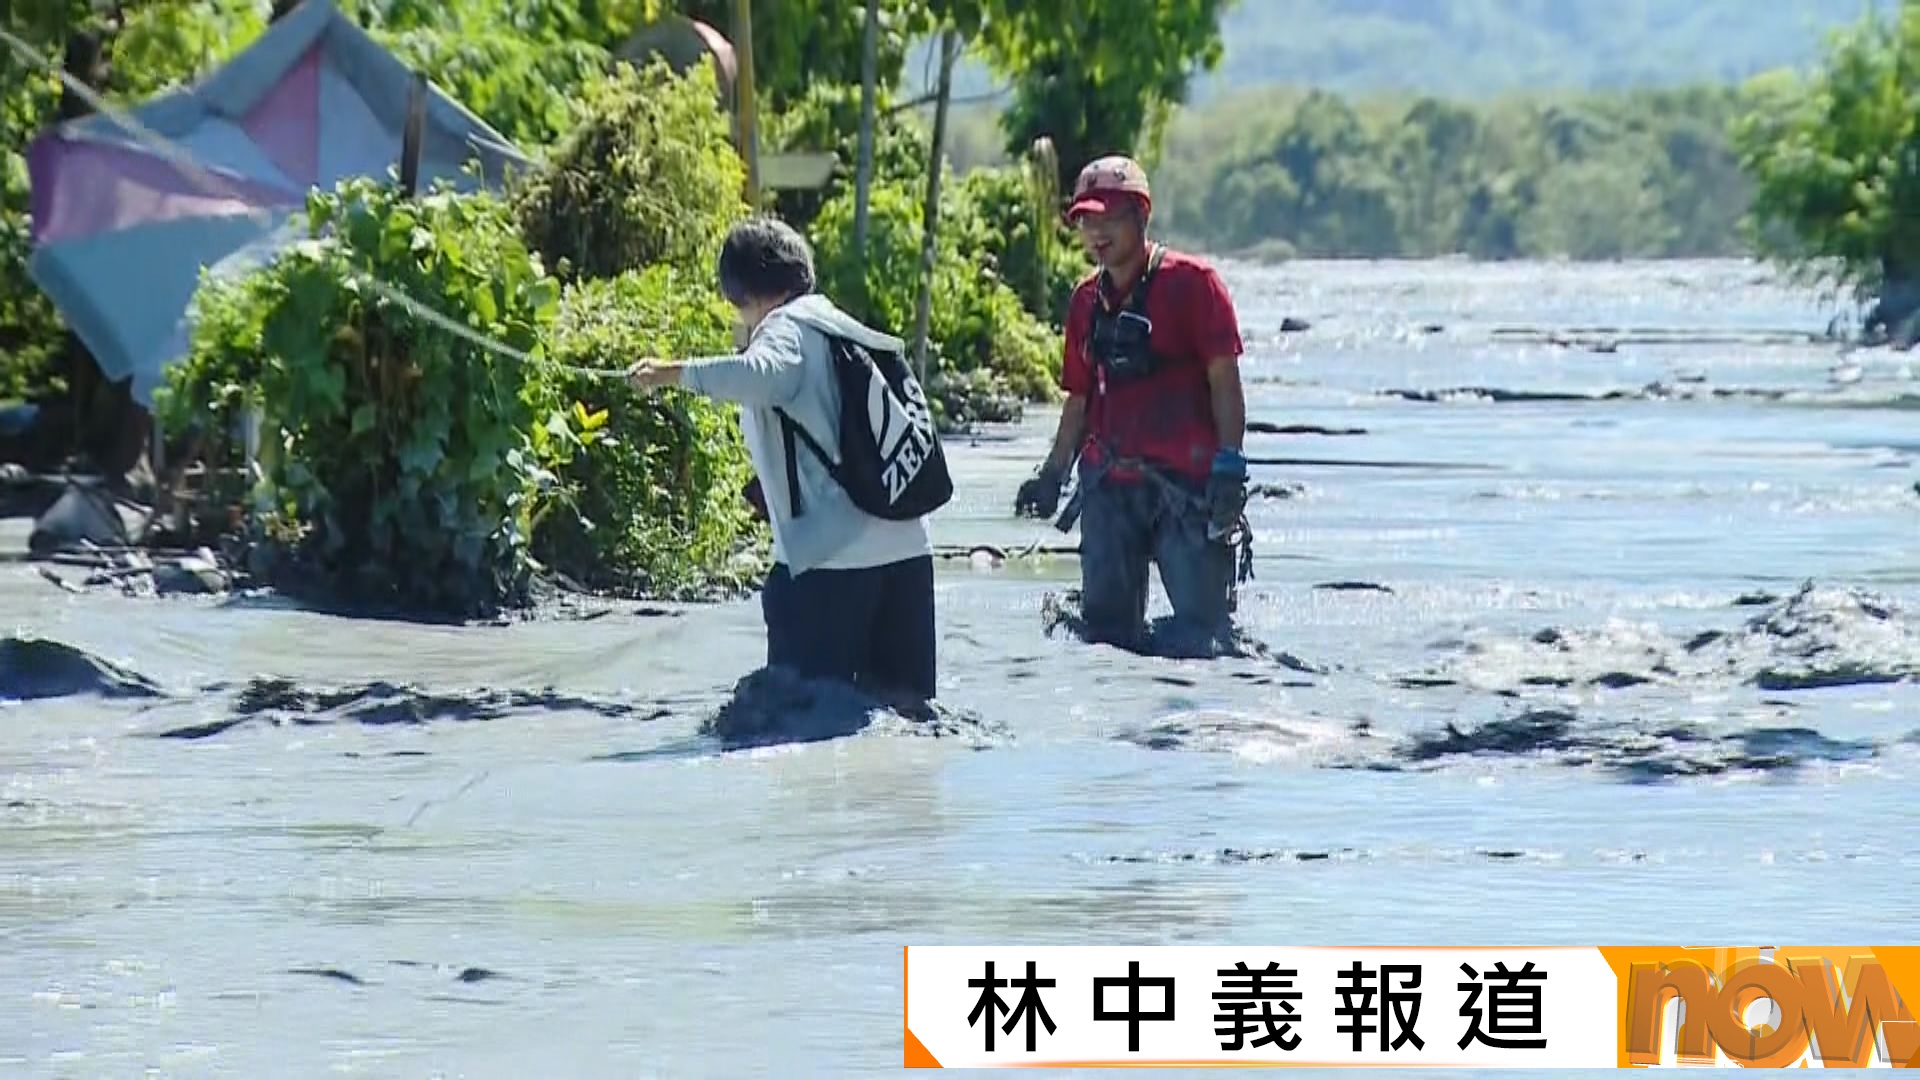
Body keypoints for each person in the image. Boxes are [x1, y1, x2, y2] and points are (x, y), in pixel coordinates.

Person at [625, 216, 939, 701]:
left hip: (833, 566)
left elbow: (762, 373)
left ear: (740, 293)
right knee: (907, 716)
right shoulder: (841, 325)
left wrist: (672, 373)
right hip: (909, 552)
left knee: (797, 720)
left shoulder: (784, 327)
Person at [1014, 155, 1250, 654]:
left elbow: (1224, 383)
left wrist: (1230, 467)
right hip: (1109, 490)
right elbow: (1079, 399)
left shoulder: (1195, 284)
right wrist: (1052, 473)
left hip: (1187, 491)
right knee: (1106, 641)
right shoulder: (1085, 302)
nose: (1096, 232)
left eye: (1109, 218)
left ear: (1142, 215)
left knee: (1204, 639)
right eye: (1085, 220)